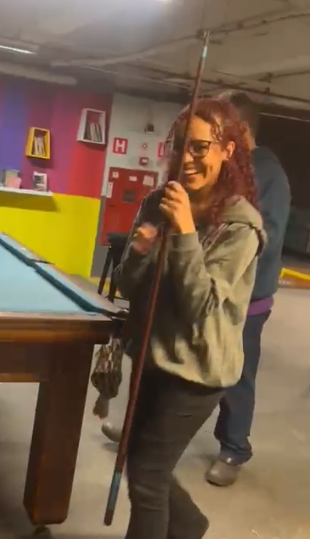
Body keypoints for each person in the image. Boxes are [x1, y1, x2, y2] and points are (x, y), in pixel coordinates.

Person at [115, 98, 265, 539]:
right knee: (139, 460)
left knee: (147, 477)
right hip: (153, 355)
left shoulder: (240, 226)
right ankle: (189, 526)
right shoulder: (158, 202)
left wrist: (182, 232)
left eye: (200, 147)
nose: (187, 158)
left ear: (228, 151)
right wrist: (140, 251)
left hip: (198, 370)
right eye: (180, 146)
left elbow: (200, 305)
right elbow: (127, 284)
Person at [206, 91, 291, 487]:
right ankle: (152, 432)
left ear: (241, 129)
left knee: (237, 375)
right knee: (190, 363)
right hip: (212, 286)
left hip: (249, 296)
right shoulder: (226, 166)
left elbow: (267, 236)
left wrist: (226, 247)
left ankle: (234, 449)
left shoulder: (269, 174)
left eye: (222, 126)